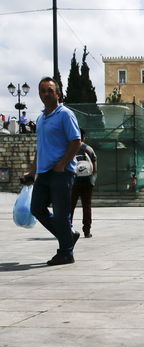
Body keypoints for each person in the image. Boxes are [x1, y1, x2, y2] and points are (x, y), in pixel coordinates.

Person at [22, 77, 82, 266]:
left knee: (61, 212)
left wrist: (63, 163)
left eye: (50, 90)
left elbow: (76, 141)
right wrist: (32, 171)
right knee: (36, 208)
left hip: (61, 172)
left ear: (58, 93)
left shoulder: (65, 114)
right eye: (42, 91)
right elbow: (41, 147)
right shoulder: (40, 118)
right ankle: (68, 236)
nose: (46, 94)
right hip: (44, 172)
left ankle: (66, 253)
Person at [70, 128, 97, 238]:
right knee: (87, 206)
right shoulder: (89, 149)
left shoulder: (70, 148)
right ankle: (87, 230)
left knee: (70, 206)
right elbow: (95, 167)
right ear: (84, 137)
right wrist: (92, 178)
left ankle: (68, 228)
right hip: (87, 182)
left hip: (74, 182)